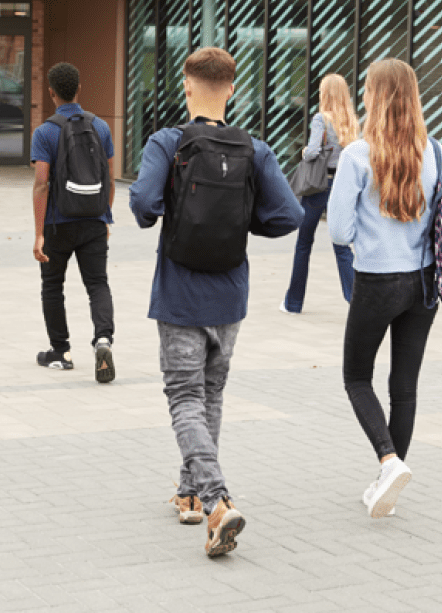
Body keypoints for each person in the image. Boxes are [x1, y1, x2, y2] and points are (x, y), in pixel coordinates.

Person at [129, 47, 302, 557]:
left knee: (184, 397)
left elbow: (142, 202)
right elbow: (289, 215)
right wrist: (242, 220)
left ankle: (217, 501)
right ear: (232, 88)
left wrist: (165, 215)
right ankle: (188, 494)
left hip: (180, 292)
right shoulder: (256, 150)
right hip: (230, 294)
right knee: (211, 396)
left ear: (186, 86)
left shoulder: (168, 141)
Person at [327, 59, 442, 519]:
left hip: (377, 280)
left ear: (375, 98)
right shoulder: (436, 152)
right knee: (405, 385)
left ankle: (388, 461)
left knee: (356, 377)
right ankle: (389, 484)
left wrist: (371, 235)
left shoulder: (359, 155)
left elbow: (339, 231)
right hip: (425, 280)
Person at [30, 62, 117, 382]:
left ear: (51, 93)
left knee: (53, 285)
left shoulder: (45, 132)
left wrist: (39, 234)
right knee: (97, 283)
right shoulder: (102, 128)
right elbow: (109, 177)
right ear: (78, 89)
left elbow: (41, 183)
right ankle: (104, 339)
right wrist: (104, 217)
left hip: (57, 223)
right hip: (93, 221)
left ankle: (60, 352)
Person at [282, 73, 357, 314]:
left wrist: (304, 151)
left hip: (317, 187)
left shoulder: (320, 119)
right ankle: (355, 301)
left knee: (304, 243)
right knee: (341, 244)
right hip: (341, 186)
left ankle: (293, 303)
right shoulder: (351, 121)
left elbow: (313, 152)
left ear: (325, 94)